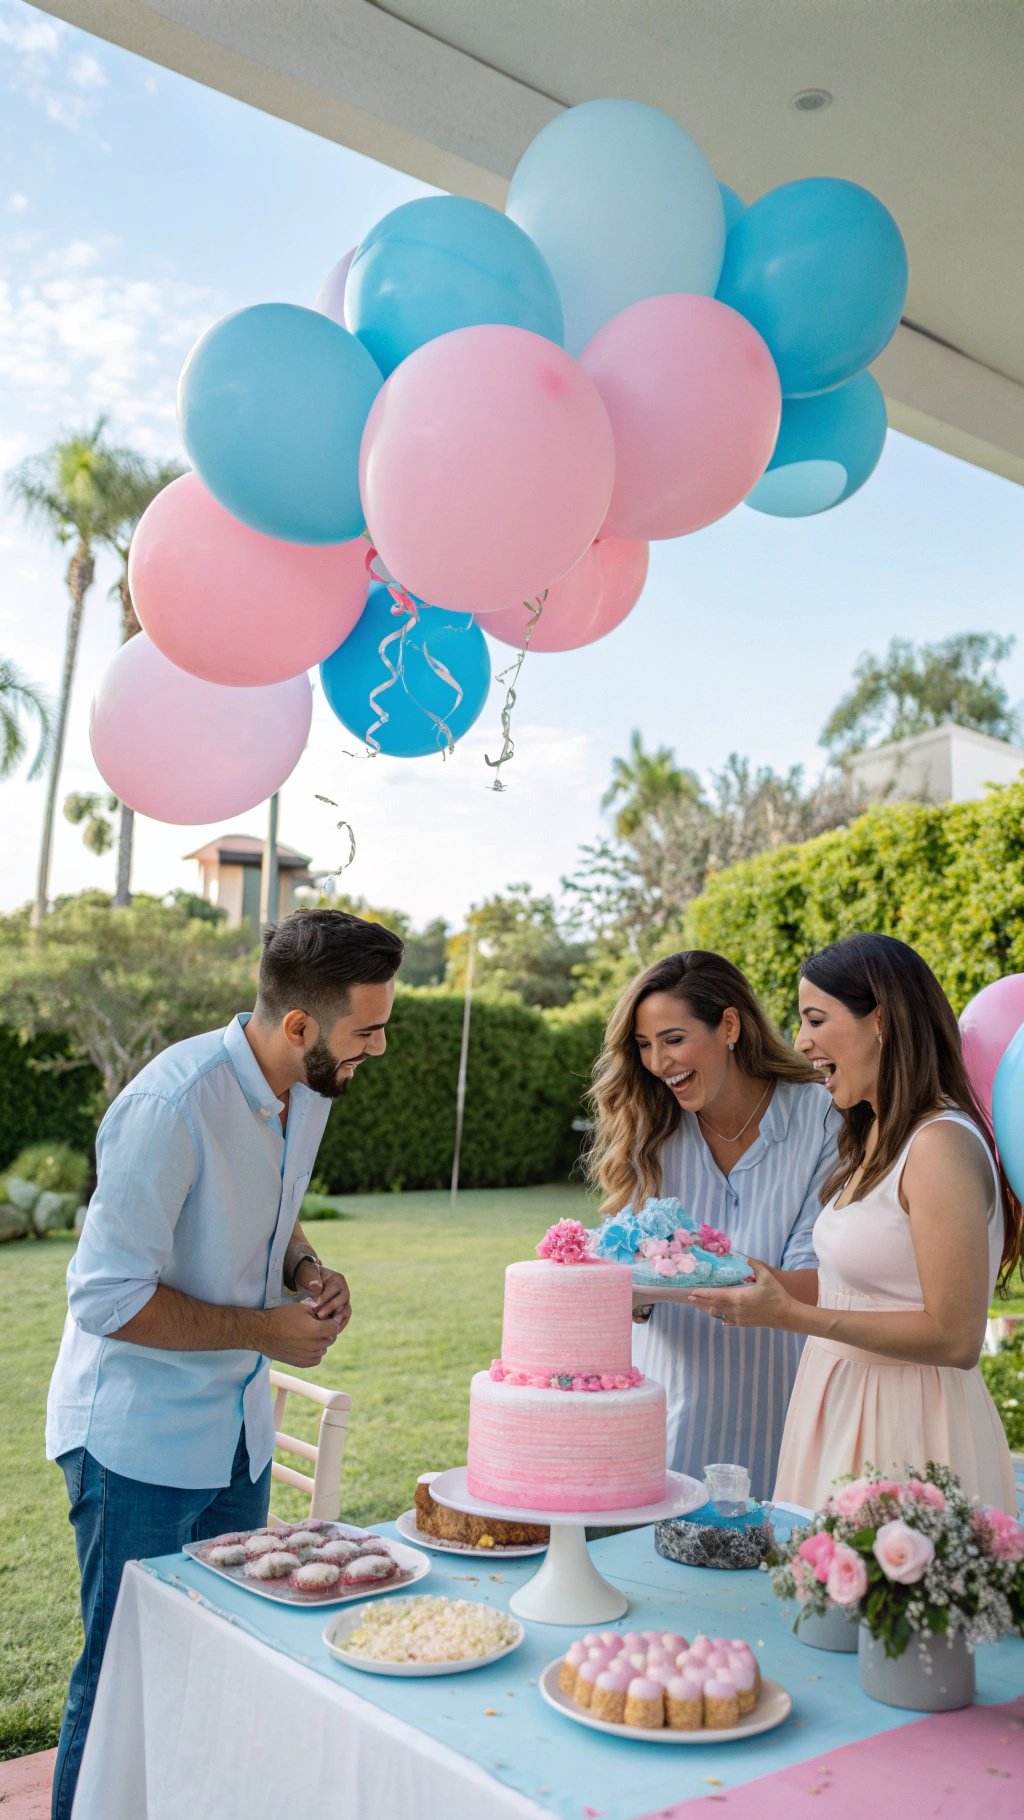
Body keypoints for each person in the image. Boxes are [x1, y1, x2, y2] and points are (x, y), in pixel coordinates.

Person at [45, 907, 404, 1820]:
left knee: (216, 1666)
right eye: (367, 1030)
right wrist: (265, 1332)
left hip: (237, 1444)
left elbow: (271, 1215)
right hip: (136, 1447)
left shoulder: (308, 1091)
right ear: (300, 1025)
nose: (379, 1048)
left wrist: (306, 1269)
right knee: (122, 1679)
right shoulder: (169, 1106)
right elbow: (106, 1298)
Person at [684, 933, 1020, 1515]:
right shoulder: (874, 1135)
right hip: (838, 1409)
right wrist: (752, 1277)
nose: (800, 1041)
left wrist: (790, 1317)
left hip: (908, 1427)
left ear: (882, 1022)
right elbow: (858, 1288)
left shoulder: (939, 1145)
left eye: (816, 1019)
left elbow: (956, 1336)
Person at [588, 950, 839, 1498]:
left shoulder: (822, 1118)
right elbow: (624, 1281)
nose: (658, 1063)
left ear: (729, 1026)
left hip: (782, 1406)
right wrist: (620, 1287)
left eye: (673, 1039)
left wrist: (685, 1270)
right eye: (644, 1045)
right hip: (668, 1415)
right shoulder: (648, 1129)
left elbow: (819, 1280)